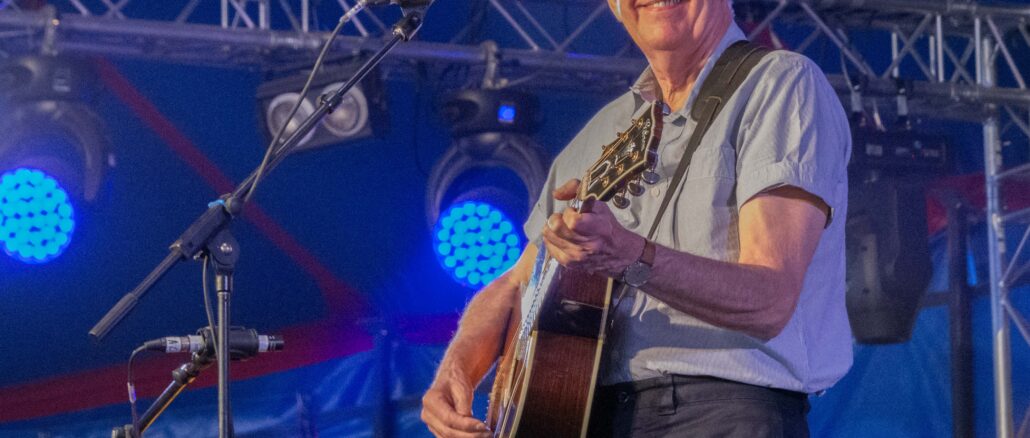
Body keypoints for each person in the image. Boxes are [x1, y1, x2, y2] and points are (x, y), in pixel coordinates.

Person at [421, 0, 853, 436]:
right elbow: (515, 283)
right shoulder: (604, 131)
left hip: (722, 411)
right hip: (594, 415)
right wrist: (456, 368)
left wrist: (630, 256)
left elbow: (770, 300)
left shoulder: (779, 84)